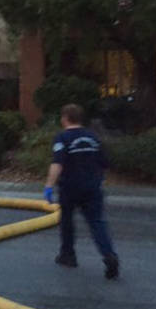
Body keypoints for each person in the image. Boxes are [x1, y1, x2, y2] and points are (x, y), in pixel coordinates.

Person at [44, 103, 119, 279]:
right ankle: (109, 255)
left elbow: (58, 163)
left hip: (70, 187)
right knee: (97, 223)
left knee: (67, 221)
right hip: (92, 187)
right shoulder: (93, 137)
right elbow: (105, 162)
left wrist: (48, 186)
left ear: (65, 118)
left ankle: (68, 255)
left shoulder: (62, 138)